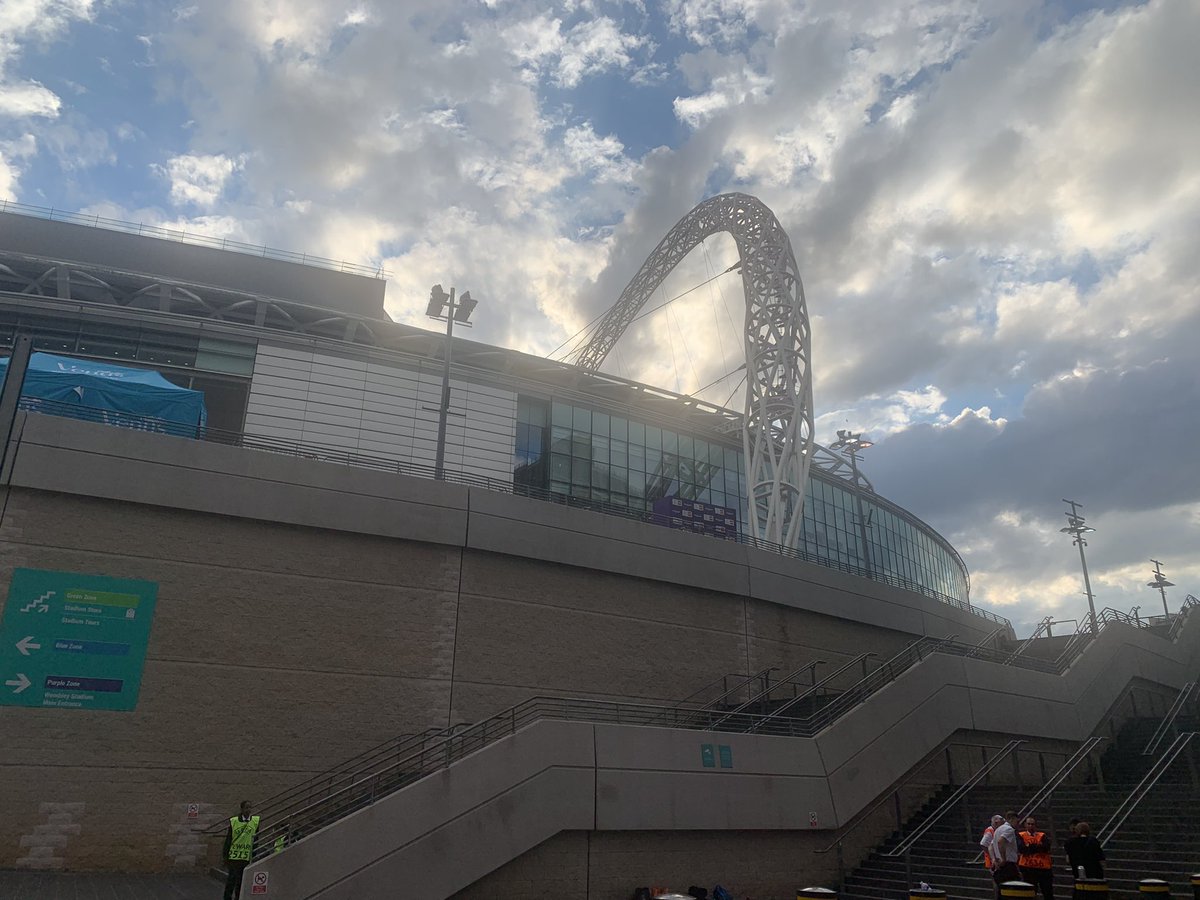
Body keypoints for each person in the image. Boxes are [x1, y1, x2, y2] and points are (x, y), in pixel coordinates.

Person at [223, 800, 260, 900]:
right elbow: (229, 839)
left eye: (250, 808)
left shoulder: (255, 821)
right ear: (242, 809)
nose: (248, 810)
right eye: (246, 808)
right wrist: (225, 855)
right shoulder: (234, 821)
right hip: (234, 856)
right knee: (232, 879)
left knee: (241, 880)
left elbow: (256, 839)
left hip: (246, 856)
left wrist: (254, 853)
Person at [1018, 815, 1054, 900]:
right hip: (1028, 868)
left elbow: (1046, 847)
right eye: (1029, 824)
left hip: (1043, 868)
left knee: (1048, 892)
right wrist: (1038, 846)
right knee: (1030, 892)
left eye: (1032, 824)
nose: (1031, 826)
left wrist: (1030, 846)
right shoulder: (1021, 835)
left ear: (1036, 825)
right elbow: (1022, 849)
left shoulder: (1042, 835)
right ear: (1025, 825)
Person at [991, 810, 1023, 899]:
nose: (1018, 824)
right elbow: (1000, 841)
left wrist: (993, 858)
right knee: (1013, 892)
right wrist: (1003, 858)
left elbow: (991, 845)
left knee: (1002, 893)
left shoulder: (998, 829)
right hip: (1008, 865)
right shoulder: (1009, 829)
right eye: (1017, 821)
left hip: (1000, 866)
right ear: (1011, 819)